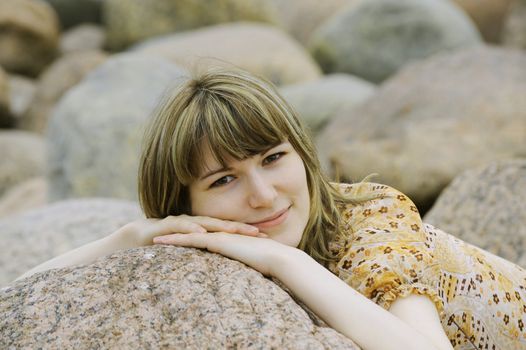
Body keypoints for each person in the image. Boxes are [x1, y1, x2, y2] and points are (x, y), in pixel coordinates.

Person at [16, 68, 525, 350]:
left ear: (302, 152)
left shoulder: (371, 218)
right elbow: (16, 303)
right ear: (186, 204)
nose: (262, 194)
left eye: (273, 157)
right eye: (224, 179)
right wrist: (128, 238)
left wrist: (289, 262)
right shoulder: (197, 241)